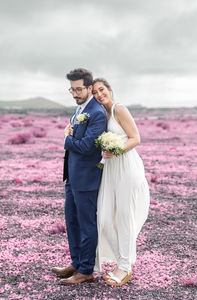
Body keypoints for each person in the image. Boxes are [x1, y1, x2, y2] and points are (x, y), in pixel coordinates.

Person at [92, 78, 150, 286]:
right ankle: (123, 261)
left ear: (109, 89)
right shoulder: (102, 114)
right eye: (95, 92)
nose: (99, 94)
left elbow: (135, 138)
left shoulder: (119, 109)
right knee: (105, 219)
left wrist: (115, 150)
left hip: (127, 166)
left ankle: (124, 267)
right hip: (110, 169)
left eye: (102, 89)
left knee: (125, 218)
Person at [52, 69, 107, 284]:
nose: (75, 93)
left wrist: (66, 138)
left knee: (86, 224)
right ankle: (76, 262)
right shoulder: (79, 110)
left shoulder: (97, 113)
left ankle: (86, 270)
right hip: (72, 177)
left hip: (87, 178)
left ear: (89, 88)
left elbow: (85, 146)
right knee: (72, 221)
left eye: (78, 89)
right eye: (72, 90)